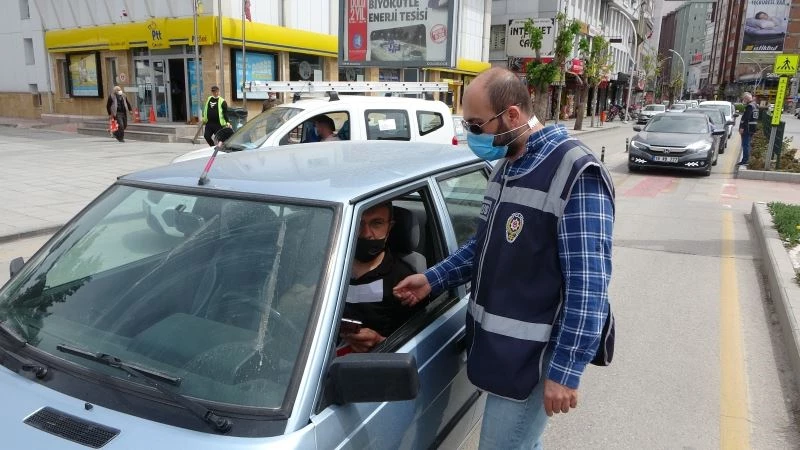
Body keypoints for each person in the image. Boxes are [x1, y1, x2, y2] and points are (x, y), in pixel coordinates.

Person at [393, 67, 615, 449]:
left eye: (476, 124)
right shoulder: (507, 166)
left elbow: (589, 286)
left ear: (512, 115)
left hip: (535, 358)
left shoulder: (575, 172)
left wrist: (566, 370)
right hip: (501, 353)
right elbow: (484, 245)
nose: (471, 134)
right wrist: (433, 278)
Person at [341, 202, 426, 353]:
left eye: (377, 223)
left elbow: (417, 344)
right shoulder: (329, 268)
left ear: (389, 228)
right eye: (358, 223)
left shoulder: (405, 280)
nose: (366, 233)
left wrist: (380, 342)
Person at [738, 92, 758, 166]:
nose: (743, 100)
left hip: (747, 128)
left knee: (745, 144)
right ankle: (746, 159)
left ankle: (745, 160)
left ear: (746, 98)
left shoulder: (750, 106)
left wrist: (742, 127)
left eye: (744, 99)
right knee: (747, 144)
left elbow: (746, 118)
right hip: (752, 128)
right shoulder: (755, 105)